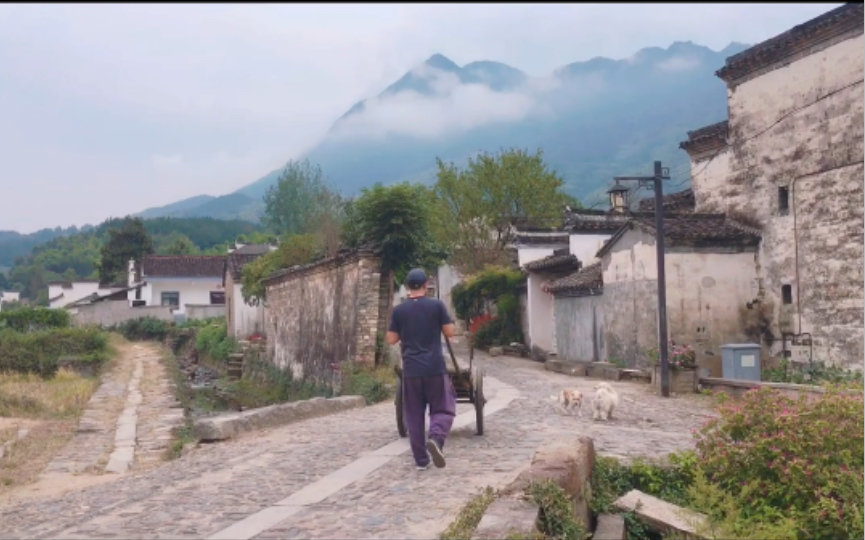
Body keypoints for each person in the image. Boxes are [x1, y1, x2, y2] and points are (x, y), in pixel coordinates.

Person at [387, 268, 457, 470]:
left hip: (411, 371)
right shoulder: (436, 306)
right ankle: (436, 438)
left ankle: (421, 460)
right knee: (444, 407)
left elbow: (392, 339)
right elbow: (450, 332)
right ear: (426, 285)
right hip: (435, 367)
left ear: (408, 287)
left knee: (414, 415)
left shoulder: (400, 311)